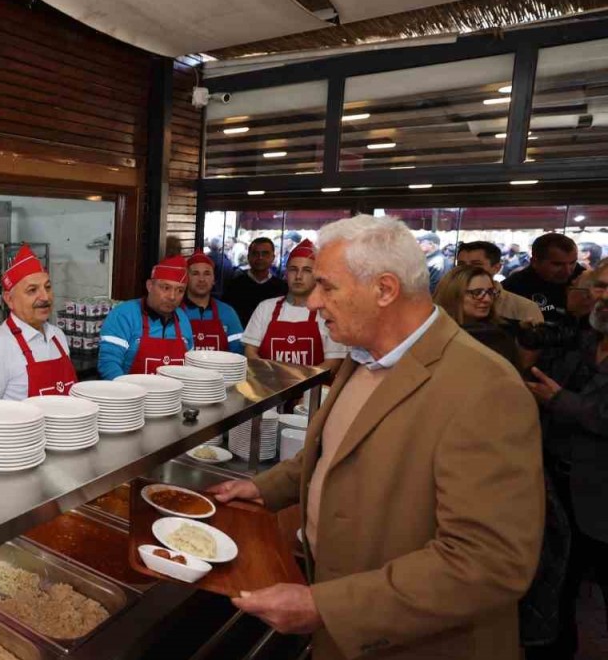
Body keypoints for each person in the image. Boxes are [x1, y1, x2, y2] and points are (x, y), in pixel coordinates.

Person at [207, 214, 543, 660]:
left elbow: (488, 562)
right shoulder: (364, 355)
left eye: (327, 287)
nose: (313, 302)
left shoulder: (486, 387)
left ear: (384, 290)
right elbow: (334, 450)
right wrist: (264, 487)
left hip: (418, 645)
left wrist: (327, 606)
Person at [524, 259, 608, 660]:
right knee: (558, 593)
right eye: (600, 287)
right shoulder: (586, 339)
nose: (604, 297)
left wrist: (560, 400)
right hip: (562, 491)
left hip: (603, 501)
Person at [0, 244, 77, 400]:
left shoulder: (58, 336)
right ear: (9, 299)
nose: (45, 297)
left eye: (47, 287)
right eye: (32, 290)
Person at [242, 240, 345, 374]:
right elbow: (250, 352)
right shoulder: (265, 308)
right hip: (269, 384)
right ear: (286, 274)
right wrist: (271, 378)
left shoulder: (328, 313)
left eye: (307, 270)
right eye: (293, 269)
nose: (298, 276)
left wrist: (300, 382)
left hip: (313, 387)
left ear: (316, 275)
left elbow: (333, 363)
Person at [98, 255, 194, 380]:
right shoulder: (124, 315)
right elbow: (108, 363)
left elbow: (191, 365)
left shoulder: (183, 319)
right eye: (166, 288)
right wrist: (125, 390)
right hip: (130, 390)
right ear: (149, 286)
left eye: (180, 290)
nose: (172, 296)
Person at [433, 265, 521, 369]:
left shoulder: (501, 334)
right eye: (477, 293)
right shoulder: (433, 334)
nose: (487, 299)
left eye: (490, 292)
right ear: (454, 294)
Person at [457, 240, 545, 326]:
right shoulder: (450, 301)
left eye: (476, 264)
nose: (466, 269)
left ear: (496, 268)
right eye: (461, 264)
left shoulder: (524, 308)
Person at [503, 233, 584, 321]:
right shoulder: (512, 288)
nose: (567, 271)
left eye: (572, 263)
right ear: (535, 262)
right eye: (557, 264)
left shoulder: (584, 277)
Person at [181, 251, 244, 353]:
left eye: (207, 274)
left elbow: (238, 352)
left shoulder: (228, 312)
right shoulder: (175, 312)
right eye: (195, 274)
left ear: (214, 279)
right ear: (186, 279)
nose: (201, 279)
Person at [221, 237, 289, 325]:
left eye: (265, 254)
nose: (260, 257)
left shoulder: (282, 288)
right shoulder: (234, 285)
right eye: (255, 253)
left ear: (273, 257)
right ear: (248, 257)